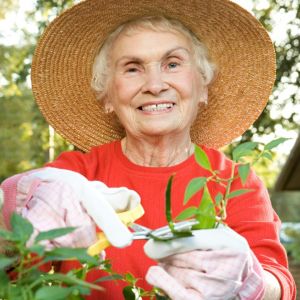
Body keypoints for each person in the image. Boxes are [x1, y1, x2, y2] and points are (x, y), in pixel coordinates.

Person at [0, 0, 296, 299]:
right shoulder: (74, 176)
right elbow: (10, 263)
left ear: (203, 87)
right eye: (132, 68)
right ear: (108, 97)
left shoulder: (234, 181)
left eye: (173, 64)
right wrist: (13, 208)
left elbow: (281, 284)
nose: (155, 84)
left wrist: (251, 281)